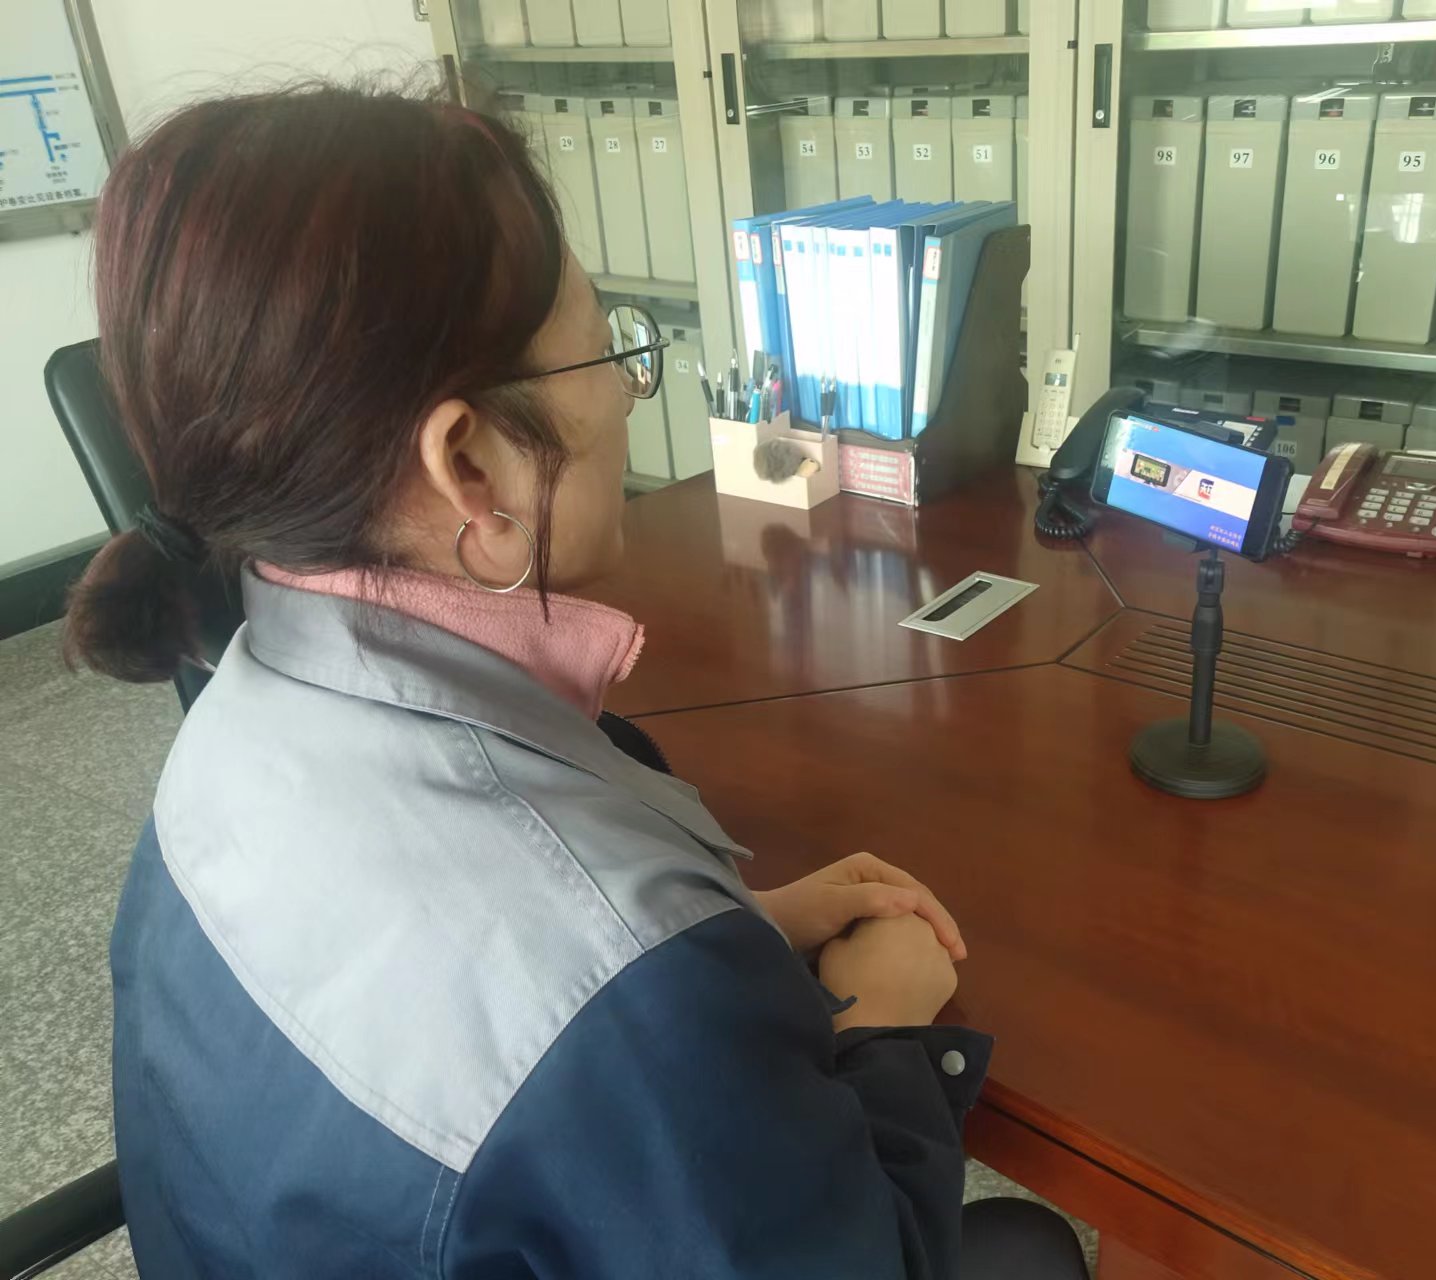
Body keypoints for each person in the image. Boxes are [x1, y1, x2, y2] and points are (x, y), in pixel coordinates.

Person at [64, 85, 1089, 1279]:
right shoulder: (622, 983)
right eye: (613, 349)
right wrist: (888, 1028)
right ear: (470, 466)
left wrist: (735, 938)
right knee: (1026, 1248)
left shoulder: (233, 718)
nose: (628, 390)